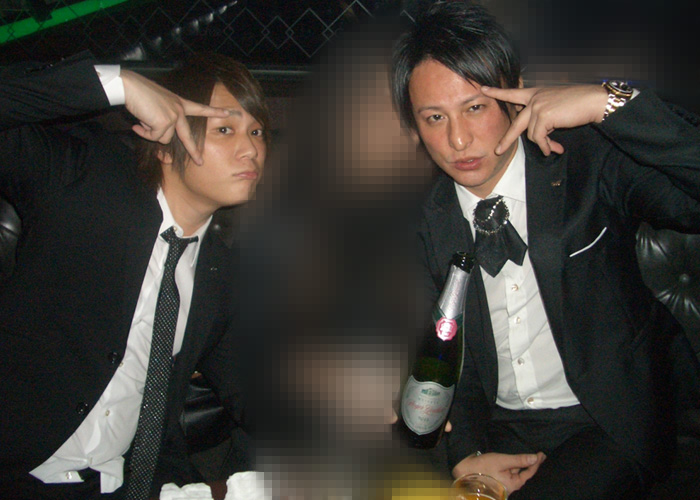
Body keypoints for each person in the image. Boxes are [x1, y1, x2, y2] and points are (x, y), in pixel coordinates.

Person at [391, 2, 700, 499]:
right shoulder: (421, 220)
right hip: (496, 426)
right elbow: (438, 352)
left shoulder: (588, 164)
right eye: (434, 117)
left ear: (516, 92)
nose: (458, 139)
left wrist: (609, 101)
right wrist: (466, 454)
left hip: (606, 419)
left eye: (475, 107)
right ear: (415, 127)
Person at [0, 51, 270, 499]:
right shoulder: (85, 178)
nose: (252, 150)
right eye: (225, 129)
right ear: (164, 143)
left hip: (128, 486)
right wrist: (118, 84)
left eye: (257, 131)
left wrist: (339, 402)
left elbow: (252, 394)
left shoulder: (221, 273)